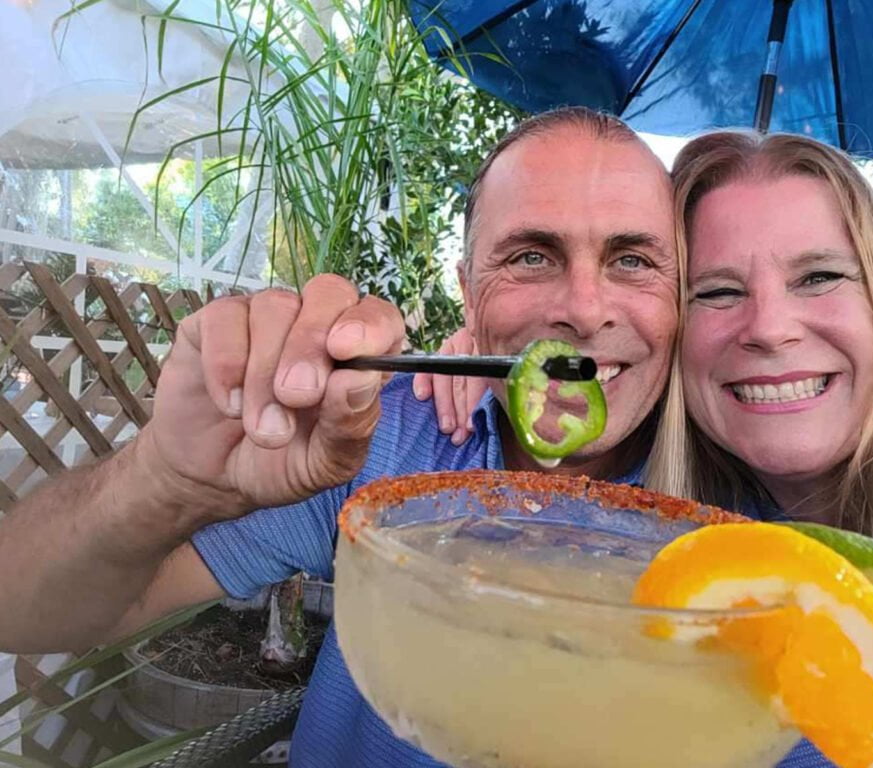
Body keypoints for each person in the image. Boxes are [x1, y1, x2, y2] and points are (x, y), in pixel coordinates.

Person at [0, 107, 724, 767]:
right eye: (531, 256)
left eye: (633, 260)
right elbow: (22, 610)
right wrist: (163, 480)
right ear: (469, 291)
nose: (584, 308)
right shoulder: (374, 438)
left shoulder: (749, 536)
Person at [422, 128, 873, 766]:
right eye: (716, 291)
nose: (768, 328)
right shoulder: (691, 499)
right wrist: (502, 345)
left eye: (819, 276)